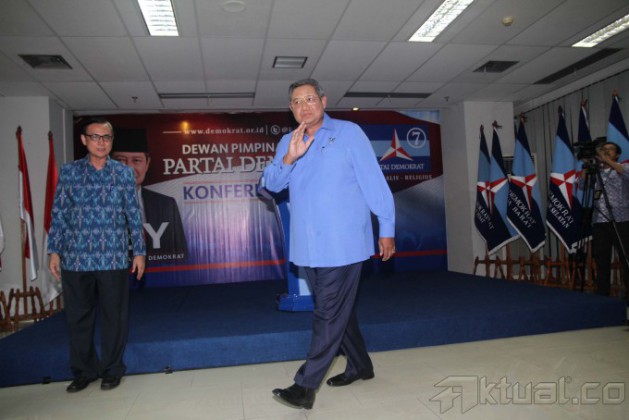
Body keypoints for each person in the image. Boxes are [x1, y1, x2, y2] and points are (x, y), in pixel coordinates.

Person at [263, 79, 396, 409]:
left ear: (323, 101)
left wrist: (387, 227)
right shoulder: (287, 142)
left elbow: (373, 182)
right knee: (338, 311)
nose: (304, 106)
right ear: (291, 109)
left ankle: (305, 386)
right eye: (297, 102)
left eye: (310, 99)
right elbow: (271, 186)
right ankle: (361, 365)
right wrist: (289, 158)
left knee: (327, 312)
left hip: (344, 243)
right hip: (307, 247)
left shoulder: (349, 133)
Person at [48, 118, 146, 393]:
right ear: (84, 140)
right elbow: (59, 213)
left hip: (112, 257)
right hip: (75, 257)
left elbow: (133, 214)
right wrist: (54, 251)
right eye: (95, 137)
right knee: (78, 318)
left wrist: (139, 252)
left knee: (114, 317)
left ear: (112, 141)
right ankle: (84, 371)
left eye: (106, 137)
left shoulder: (124, 174)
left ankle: (112, 370)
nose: (101, 142)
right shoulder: (69, 172)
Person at [111, 128, 187, 262]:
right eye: (121, 160)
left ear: (147, 164)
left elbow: (180, 255)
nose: (128, 168)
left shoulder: (166, 204)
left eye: (136, 160)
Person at [590, 141, 629, 299]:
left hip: (620, 219)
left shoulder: (623, 167)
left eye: (610, 150)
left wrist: (606, 160)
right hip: (600, 219)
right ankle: (602, 293)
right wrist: (587, 167)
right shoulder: (596, 172)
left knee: (625, 257)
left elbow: (624, 172)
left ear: (617, 154)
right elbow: (581, 185)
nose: (606, 151)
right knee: (601, 258)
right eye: (603, 149)